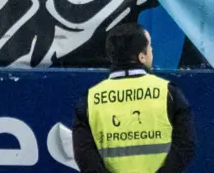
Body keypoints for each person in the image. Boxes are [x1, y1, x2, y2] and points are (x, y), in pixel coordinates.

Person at [71, 22, 194, 173]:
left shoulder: (90, 99)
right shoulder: (169, 93)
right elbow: (185, 145)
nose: (152, 50)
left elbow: (84, 155)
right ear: (141, 57)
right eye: (149, 46)